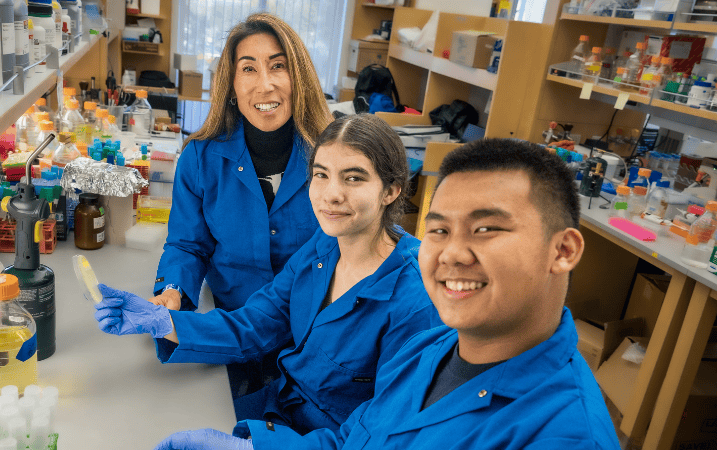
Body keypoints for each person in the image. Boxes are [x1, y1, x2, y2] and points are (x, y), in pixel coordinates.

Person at [152, 138, 623, 450]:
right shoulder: (433, 352)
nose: (453, 254)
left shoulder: (565, 434)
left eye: (486, 229)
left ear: (562, 250)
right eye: (439, 230)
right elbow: (354, 441)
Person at [94, 114, 442, 435]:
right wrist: (163, 323)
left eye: (353, 178)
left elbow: (381, 433)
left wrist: (257, 446)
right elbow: (256, 324)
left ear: (392, 190)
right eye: (321, 174)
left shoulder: (415, 300)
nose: (331, 194)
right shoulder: (324, 246)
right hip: (279, 412)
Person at [142, 13, 333, 419]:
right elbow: (187, 244)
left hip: (314, 341)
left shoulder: (333, 158)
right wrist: (174, 290)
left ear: (298, 76)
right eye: (249, 69)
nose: (265, 84)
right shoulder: (202, 156)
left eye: (278, 66)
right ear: (231, 85)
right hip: (233, 332)